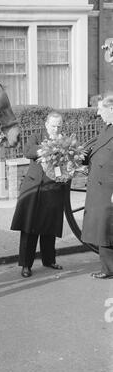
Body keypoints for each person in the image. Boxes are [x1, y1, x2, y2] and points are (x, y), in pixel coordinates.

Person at [10, 111, 65, 277]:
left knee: (50, 226)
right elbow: (28, 151)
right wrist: (49, 148)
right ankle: (26, 265)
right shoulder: (37, 136)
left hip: (53, 187)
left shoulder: (65, 140)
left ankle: (49, 260)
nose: (56, 128)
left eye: (59, 126)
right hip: (35, 187)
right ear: (47, 124)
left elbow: (68, 160)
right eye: (53, 125)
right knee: (30, 227)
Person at [81, 95, 113, 279]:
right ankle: (108, 268)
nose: (98, 112)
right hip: (100, 188)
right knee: (104, 228)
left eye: (102, 109)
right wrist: (76, 157)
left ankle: (108, 269)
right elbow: (96, 153)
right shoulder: (107, 129)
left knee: (106, 228)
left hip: (109, 189)